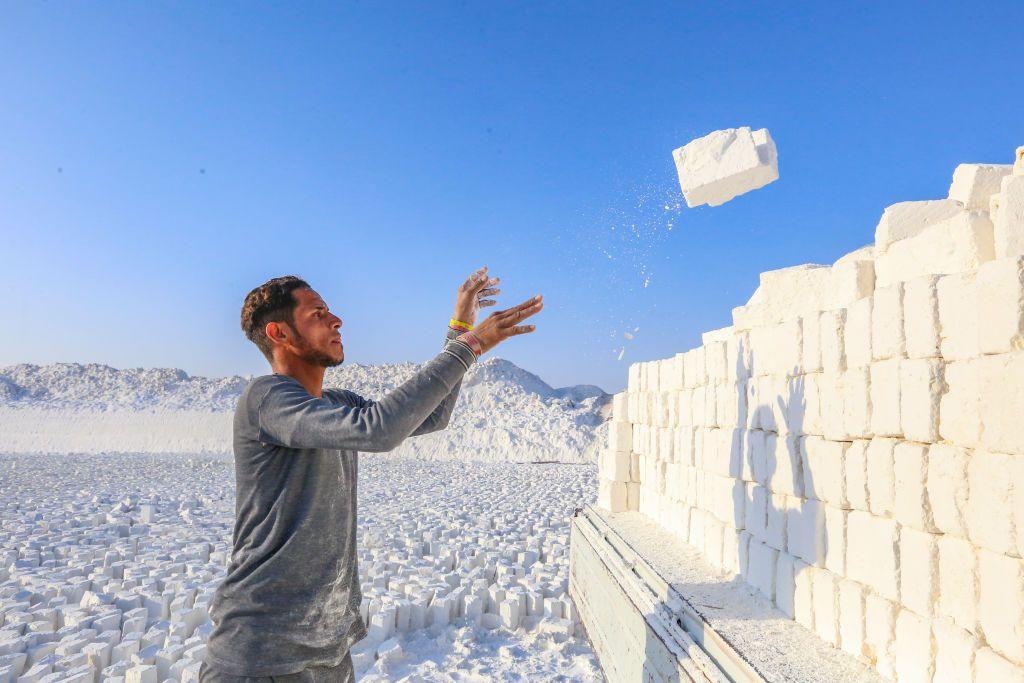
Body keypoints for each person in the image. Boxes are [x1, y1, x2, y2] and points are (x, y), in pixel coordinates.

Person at [199, 267, 543, 682]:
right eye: (317, 313)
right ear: (279, 334)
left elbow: (429, 416)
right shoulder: (267, 400)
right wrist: (471, 345)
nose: (336, 319)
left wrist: (460, 330)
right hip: (260, 657)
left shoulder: (336, 403)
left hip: (326, 656)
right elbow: (377, 430)